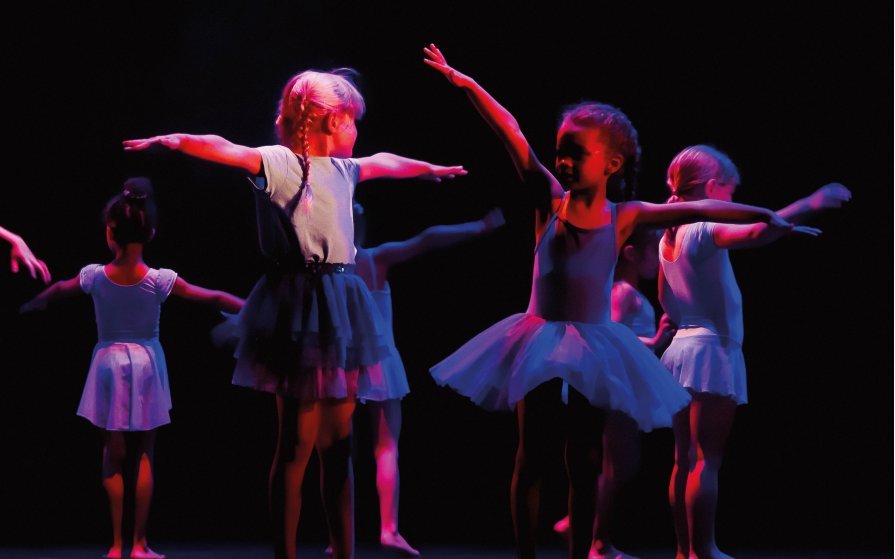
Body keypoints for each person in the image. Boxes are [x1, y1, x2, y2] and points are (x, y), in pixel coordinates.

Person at [423, 44, 814, 559]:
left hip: (593, 345)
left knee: (586, 459)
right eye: (560, 151)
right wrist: (467, 83)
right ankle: (525, 554)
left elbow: (699, 206)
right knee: (531, 455)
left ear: (611, 163)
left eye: (575, 153)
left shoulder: (625, 215)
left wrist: (766, 215)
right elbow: (510, 131)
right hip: (537, 337)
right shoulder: (548, 200)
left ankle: (583, 550)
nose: (562, 161)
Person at [123, 68, 466, 559]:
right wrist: (173, 141)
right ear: (331, 120)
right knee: (296, 445)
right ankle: (285, 552)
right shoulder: (280, 163)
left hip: (342, 304)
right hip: (297, 305)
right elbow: (223, 147)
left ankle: (343, 550)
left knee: (339, 445)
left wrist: (427, 168)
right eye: (352, 121)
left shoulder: (345, 170)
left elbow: (385, 163)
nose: (357, 131)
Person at [20, 178, 245, 559]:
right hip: (147, 363)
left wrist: (31, 304)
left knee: (112, 454)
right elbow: (213, 298)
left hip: (108, 363)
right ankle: (139, 544)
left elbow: (58, 290)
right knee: (143, 454)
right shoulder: (158, 280)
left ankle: (115, 545)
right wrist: (255, 307)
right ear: (151, 233)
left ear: (110, 232)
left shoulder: (94, 276)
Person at [659, 145, 850, 559]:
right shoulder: (703, 227)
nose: (733, 200)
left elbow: (666, 301)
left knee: (683, 459)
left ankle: (683, 551)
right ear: (713, 188)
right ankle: (703, 550)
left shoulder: (668, 236)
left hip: (680, 351)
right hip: (711, 352)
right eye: (731, 191)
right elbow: (754, 232)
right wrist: (812, 203)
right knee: (706, 459)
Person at [340, 204, 504, 556]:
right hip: (379, 365)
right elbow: (427, 239)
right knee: (386, 447)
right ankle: (388, 529)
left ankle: (341, 535)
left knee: (341, 451)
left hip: (343, 365)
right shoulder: (375, 259)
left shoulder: (331, 273)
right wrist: (478, 226)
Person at [551, 227, 677, 547]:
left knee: (621, 464)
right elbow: (611, 333)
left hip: (625, 385)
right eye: (653, 251)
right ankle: (598, 541)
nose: (658, 260)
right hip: (618, 385)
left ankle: (582, 525)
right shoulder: (622, 292)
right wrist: (655, 341)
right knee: (619, 464)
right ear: (632, 254)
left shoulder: (629, 292)